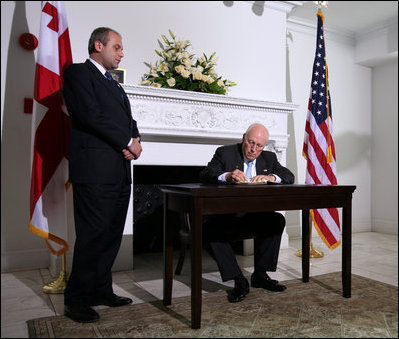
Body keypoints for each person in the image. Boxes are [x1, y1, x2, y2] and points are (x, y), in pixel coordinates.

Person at [62, 27, 142, 323]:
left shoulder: (115, 84)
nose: (122, 53)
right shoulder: (78, 74)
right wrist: (126, 142)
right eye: (117, 47)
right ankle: (77, 300)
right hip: (95, 172)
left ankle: (100, 290)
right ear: (99, 45)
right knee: (92, 236)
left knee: (110, 236)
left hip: (120, 171)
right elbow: (90, 114)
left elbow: (128, 121)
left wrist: (137, 142)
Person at [200, 123, 295, 303]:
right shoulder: (225, 153)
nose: (253, 149)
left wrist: (271, 177)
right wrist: (227, 176)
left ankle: (260, 275)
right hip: (227, 218)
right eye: (251, 143)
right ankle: (238, 279)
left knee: (276, 220)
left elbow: (288, 175)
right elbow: (206, 174)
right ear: (244, 138)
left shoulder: (269, 158)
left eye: (259, 145)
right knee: (207, 230)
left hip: (253, 217)